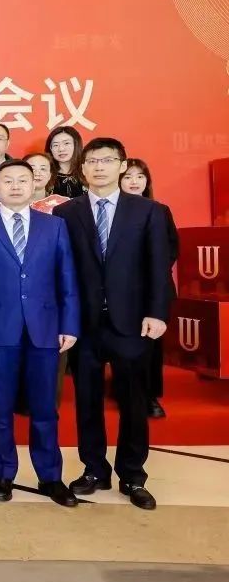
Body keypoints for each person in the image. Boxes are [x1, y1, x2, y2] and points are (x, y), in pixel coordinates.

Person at [55, 139, 171, 511]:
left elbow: (159, 267)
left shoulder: (149, 211)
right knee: (87, 400)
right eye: (92, 161)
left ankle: (133, 475)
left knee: (133, 400)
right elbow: (61, 270)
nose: (99, 167)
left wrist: (157, 313)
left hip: (133, 321)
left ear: (122, 166)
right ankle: (94, 469)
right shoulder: (65, 213)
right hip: (85, 323)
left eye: (107, 160)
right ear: (82, 168)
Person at [0, 159, 80, 508]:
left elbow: (67, 279)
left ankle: (50, 476)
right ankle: (3, 474)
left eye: (22, 180)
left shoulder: (54, 226)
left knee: (45, 409)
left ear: (34, 184)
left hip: (46, 329)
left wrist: (70, 324)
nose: (15, 186)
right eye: (7, 180)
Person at [119, 157, 179, 418]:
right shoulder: (110, 212)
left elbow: (171, 248)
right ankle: (124, 390)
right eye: (128, 177)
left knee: (151, 347)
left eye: (140, 176)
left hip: (153, 289)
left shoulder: (160, 210)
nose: (134, 182)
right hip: (120, 291)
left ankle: (150, 396)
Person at [46, 126, 86, 199]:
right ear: (50, 149)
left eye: (66, 143)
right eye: (55, 145)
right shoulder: (46, 174)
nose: (61, 149)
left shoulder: (87, 171)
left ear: (76, 145)